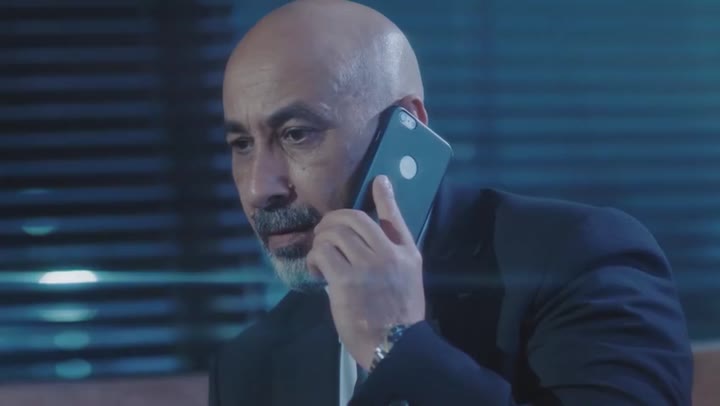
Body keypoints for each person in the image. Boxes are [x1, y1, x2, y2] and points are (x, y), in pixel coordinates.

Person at [209, 1, 693, 405]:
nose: (258, 188)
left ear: (404, 127)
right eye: (242, 145)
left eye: (296, 134)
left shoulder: (581, 261)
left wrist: (396, 342)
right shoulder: (248, 366)